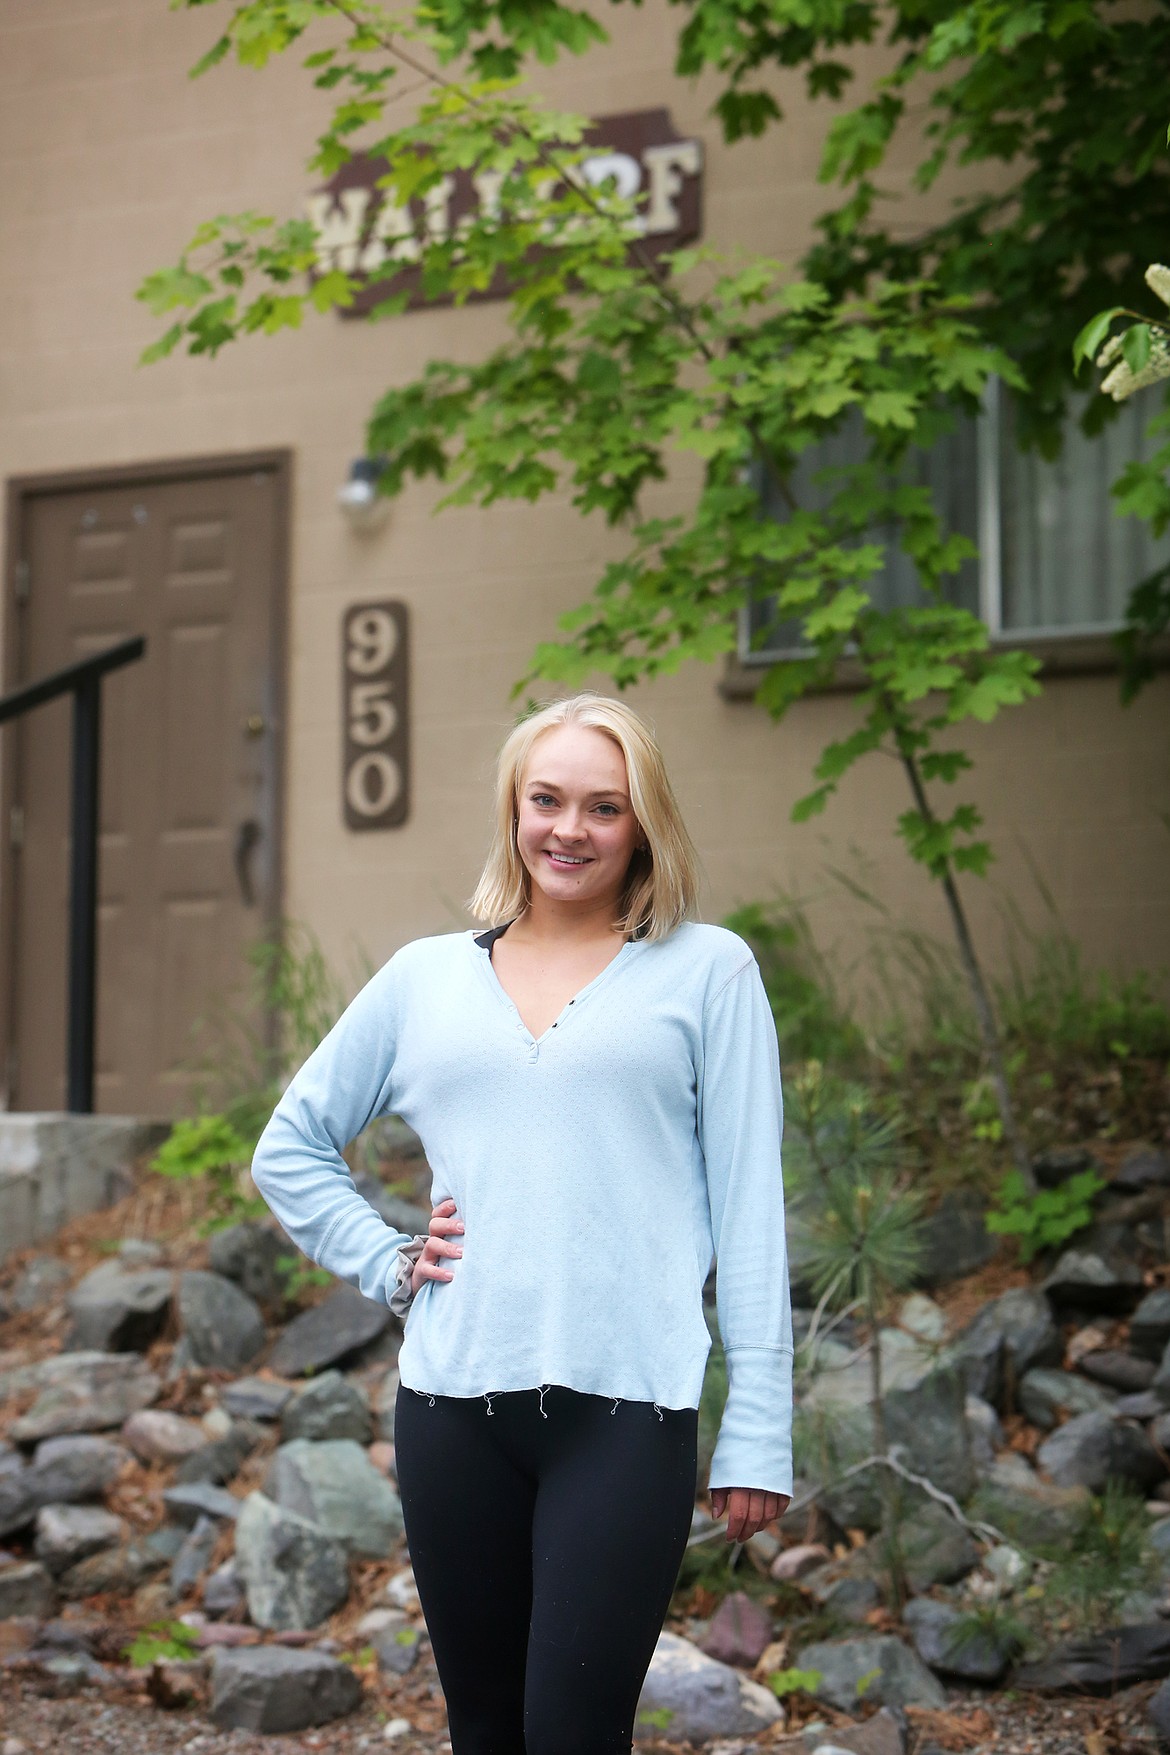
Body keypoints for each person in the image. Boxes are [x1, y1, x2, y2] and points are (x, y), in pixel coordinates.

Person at [250, 693, 794, 1754]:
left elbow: (749, 1211)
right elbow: (290, 1147)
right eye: (546, 800)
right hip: (453, 1413)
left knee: (573, 1735)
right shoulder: (423, 980)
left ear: (643, 826)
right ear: (512, 808)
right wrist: (389, 1257)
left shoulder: (708, 971)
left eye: (603, 807)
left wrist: (760, 1427)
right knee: (487, 1732)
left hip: (627, 1417)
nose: (569, 830)